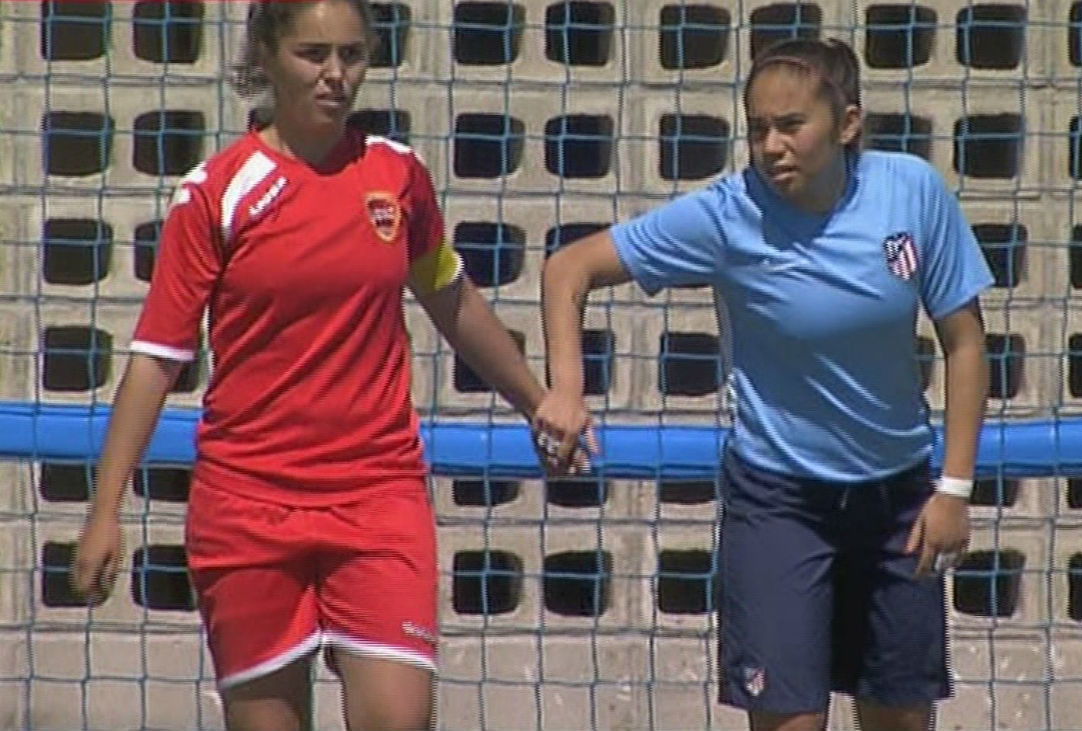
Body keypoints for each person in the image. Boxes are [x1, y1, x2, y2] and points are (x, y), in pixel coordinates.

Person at [69, 1, 549, 729]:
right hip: (249, 504)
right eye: (313, 53)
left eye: (352, 55)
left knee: (399, 716)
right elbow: (156, 359)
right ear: (266, 55)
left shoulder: (398, 176)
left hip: (377, 494)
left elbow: (451, 298)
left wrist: (538, 402)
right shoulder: (215, 195)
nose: (334, 74)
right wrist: (105, 510)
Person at [534, 37, 992, 731]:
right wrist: (565, 388)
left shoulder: (912, 191)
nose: (771, 145)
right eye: (757, 129)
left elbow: (965, 341)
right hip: (779, 500)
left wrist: (953, 489)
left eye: (791, 125)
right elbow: (568, 270)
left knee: (899, 717)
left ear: (846, 125)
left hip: (899, 499)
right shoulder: (726, 214)